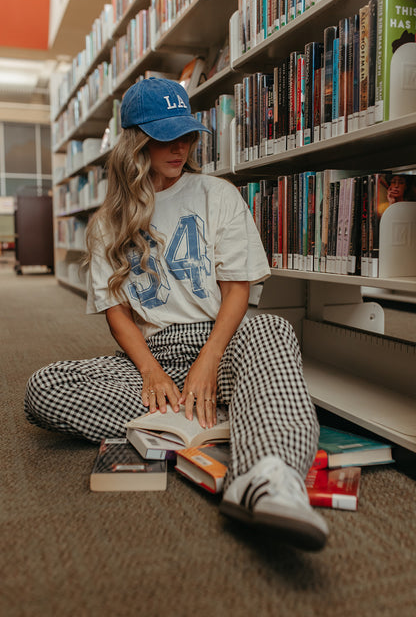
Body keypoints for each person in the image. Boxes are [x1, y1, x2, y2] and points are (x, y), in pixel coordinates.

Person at [24, 78, 328, 551]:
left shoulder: (217, 193)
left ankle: (269, 476)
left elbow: (237, 289)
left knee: (272, 329)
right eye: (165, 137)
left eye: (186, 134)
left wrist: (209, 358)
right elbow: (117, 311)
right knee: (45, 388)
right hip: (152, 356)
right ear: (134, 143)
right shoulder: (107, 221)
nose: (180, 146)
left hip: (221, 342)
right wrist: (149, 370)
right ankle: (222, 409)